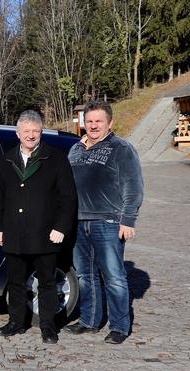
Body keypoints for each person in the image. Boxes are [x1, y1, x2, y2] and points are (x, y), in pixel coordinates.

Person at [0, 110, 77, 344]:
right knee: (16, 281)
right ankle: (16, 322)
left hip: (46, 233)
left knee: (47, 282)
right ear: (18, 133)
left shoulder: (56, 158)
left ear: (41, 132)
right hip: (14, 232)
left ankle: (48, 326)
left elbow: (68, 198)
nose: (31, 136)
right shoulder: (7, 159)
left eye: (35, 131)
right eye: (26, 131)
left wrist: (61, 227)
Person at [66, 100, 144, 344]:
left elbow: (133, 186)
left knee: (114, 277)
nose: (93, 125)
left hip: (108, 222)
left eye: (99, 121)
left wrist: (128, 220)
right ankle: (90, 321)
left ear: (110, 122)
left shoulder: (121, 148)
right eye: (89, 121)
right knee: (85, 276)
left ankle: (120, 327)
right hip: (78, 222)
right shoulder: (75, 149)